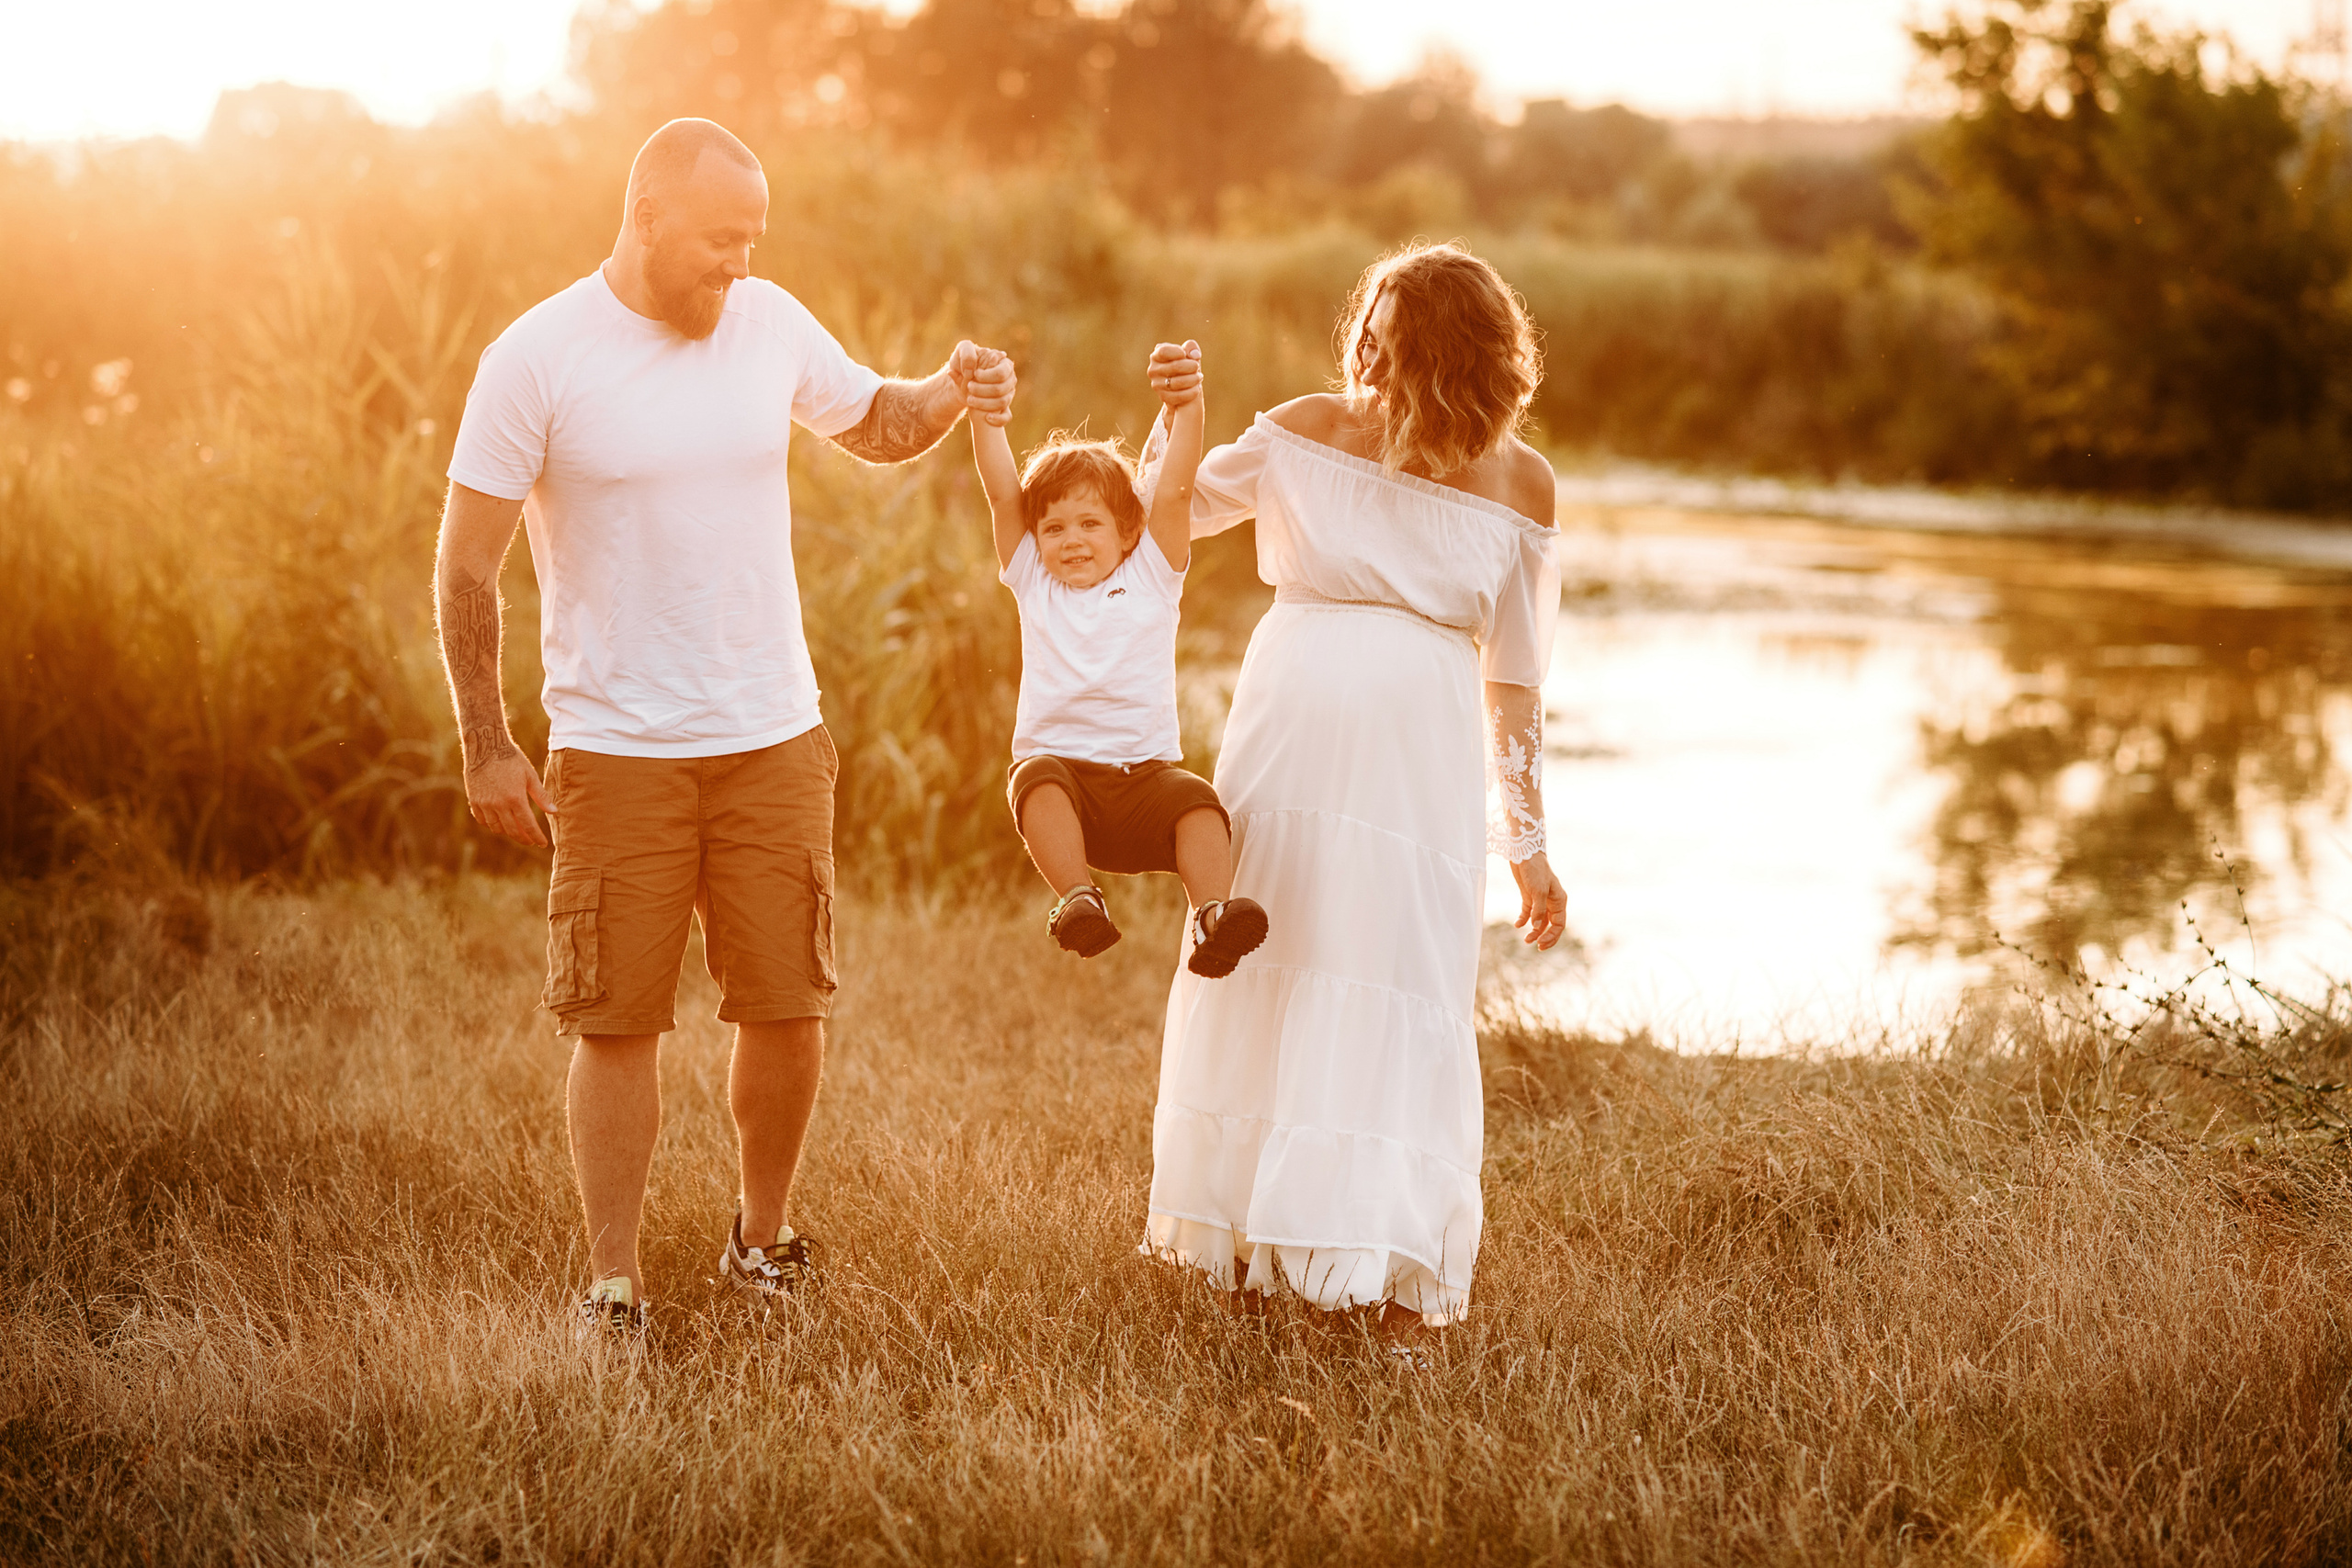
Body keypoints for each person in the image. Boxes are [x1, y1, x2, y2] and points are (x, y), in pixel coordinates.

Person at [434, 118, 1015, 1337]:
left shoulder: (768, 322)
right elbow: (467, 567)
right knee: (616, 1018)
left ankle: (764, 1238)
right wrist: (485, 741)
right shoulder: (536, 357)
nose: (739, 263)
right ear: (644, 217)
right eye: (718, 239)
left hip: (772, 735)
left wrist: (950, 390)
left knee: (788, 1003)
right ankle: (614, 1282)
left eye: (753, 238)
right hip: (615, 748)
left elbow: (877, 422)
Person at [1137, 243, 1568, 1341]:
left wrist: (1527, 844)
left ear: (1451, 352)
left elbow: (1515, 681)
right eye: (1363, 331)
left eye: (1389, 337)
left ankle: (1376, 1258)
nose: (1364, 354)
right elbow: (1162, 519)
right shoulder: (1303, 430)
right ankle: (1246, 1241)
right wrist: (1179, 421)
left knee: (1394, 974)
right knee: (1273, 955)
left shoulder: (1521, 483)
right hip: (1288, 738)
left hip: (1418, 765)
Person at [971, 342, 1270, 976]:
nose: (1070, 540)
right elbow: (1001, 496)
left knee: (1198, 800)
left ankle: (1213, 916)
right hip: (1069, 792)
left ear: (1127, 530)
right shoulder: (1033, 581)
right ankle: (1079, 900)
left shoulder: (1152, 575)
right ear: (1035, 538)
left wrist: (1188, 405)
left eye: (1090, 523)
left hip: (1145, 784)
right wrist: (986, 416)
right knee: (1033, 778)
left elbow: (1176, 493)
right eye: (1054, 528)